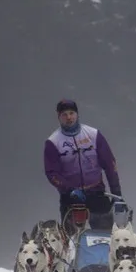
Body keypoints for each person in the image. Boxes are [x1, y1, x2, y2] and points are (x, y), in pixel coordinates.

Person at [44, 99, 124, 232]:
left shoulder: (93, 134)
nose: (69, 117)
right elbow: (52, 173)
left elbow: (110, 165)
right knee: (71, 242)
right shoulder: (53, 142)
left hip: (97, 193)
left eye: (71, 113)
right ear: (59, 117)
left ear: (77, 114)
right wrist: (69, 189)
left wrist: (117, 194)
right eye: (64, 114)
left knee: (106, 239)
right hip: (71, 199)